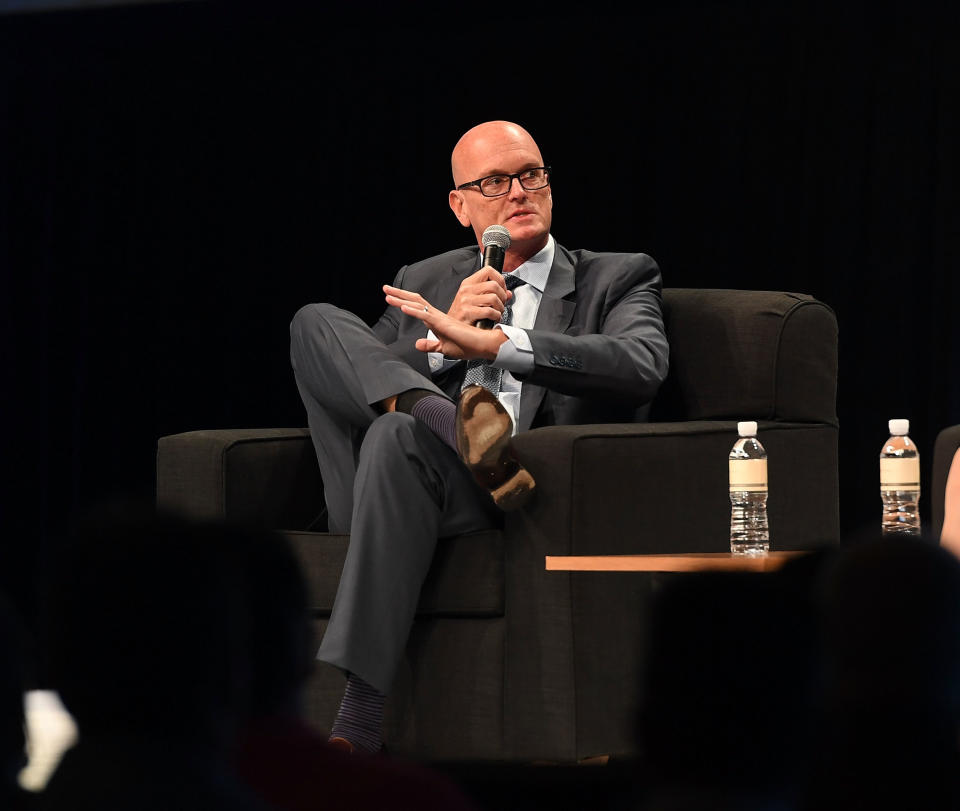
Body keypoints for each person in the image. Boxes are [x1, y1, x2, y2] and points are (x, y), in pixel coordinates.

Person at [288, 120, 669, 753]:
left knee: (390, 434)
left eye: (531, 175)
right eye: (493, 182)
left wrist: (500, 345)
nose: (518, 191)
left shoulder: (616, 277)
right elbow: (351, 377)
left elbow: (640, 363)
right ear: (460, 206)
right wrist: (439, 348)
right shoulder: (427, 279)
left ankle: (356, 725)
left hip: (512, 497)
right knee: (319, 330)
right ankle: (445, 420)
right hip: (399, 489)